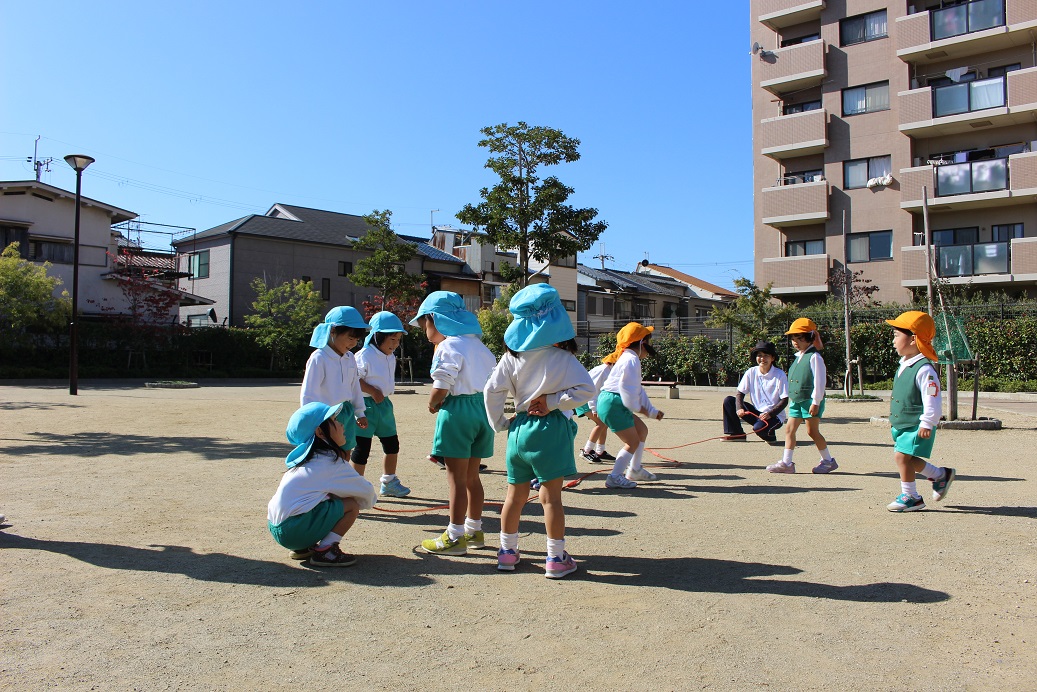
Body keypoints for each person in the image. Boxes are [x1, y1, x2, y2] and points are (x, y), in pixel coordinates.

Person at [485, 284, 595, 577]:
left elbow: (491, 391)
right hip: (550, 429)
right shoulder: (563, 358)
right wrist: (553, 401)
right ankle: (556, 558)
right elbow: (587, 390)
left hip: (519, 429)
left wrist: (500, 423)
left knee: (514, 496)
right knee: (551, 498)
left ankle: (507, 552)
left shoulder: (512, 357)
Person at [410, 291, 497, 556]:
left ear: (435, 319)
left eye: (424, 323)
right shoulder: (481, 347)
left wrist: (432, 403)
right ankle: (474, 530)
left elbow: (442, 384)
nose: (424, 330)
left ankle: (454, 535)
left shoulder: (448, 346)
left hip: (458, 411)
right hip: (482, 411)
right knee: (472, 477)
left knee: (455, 479)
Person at [267, 402, 379, 567]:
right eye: (335, 420)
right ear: (320, 432)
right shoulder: (330, 463)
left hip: (277, 527)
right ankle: (326, 550)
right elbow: (367, 493)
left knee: (324, 500)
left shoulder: (306, 461)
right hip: (294, 530)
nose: (341, 424)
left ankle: (302, 547)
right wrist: (362, 501)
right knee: (351, 505)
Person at [884, 311, 955, 512]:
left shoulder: (924, 369)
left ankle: (911, 496)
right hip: (903, 423)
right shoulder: (905, 364)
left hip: (916, 423)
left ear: (913, 339)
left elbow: (932, 398)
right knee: (907, 457)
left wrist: (928, 422)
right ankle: (940, 475)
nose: (893, 341)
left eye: (897, 335)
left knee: (901, 457)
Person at [300, 306, 369, 473]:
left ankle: (339, 483)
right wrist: (310, 421)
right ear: (332, 331)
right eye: (350, 338)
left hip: (346, 411)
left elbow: (354, 386)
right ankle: (326, 484)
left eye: (356, 340)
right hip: (325, 416)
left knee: (346, 451)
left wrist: (360, 412)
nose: (353, 343)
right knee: (327, 454)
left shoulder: (350, 357)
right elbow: (308, 393)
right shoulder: (319, 358)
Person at [596, 323, 664, 489]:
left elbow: (637, 389)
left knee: (641, 431)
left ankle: (634, 469)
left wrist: (650, 410)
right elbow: (628, 391)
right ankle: (615, 476)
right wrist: (643, 410)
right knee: (632, 442)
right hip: (614, 403)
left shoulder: (628, 357)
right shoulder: (631, 360)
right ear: (642, 343)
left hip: (612, 402)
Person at [766, 318, 837, 474]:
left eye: (800, 338)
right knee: (789, 430)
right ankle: (786, 462)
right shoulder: (799, 356)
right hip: (796, 400)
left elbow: (820, 381)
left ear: (810, 337)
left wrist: (816, 401)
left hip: (809, 401)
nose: (795, 342)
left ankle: (828, 460)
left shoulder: (814, 357)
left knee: (812, 431)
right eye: (793, 339)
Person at [354, 311, 410, 498]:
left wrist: (380, 394)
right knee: (362, 448)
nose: (395, 344)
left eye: (398, 339)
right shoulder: (364, 355)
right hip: (364, 406)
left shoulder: (391, 356)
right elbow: (354, 380)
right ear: (377, 336)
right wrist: (373, 391)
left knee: (392, 444)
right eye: (392, 339)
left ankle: (389, 482)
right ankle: (355, 487)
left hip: (384, 405)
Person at [722, 340, 789, 443]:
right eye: (759, 355)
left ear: (772, 358)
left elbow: (784, 400)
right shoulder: (751, 372)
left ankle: (770, 435)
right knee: (729, 401)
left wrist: (770, 414)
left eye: (766, 355)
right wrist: (739, 408)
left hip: (774, 416)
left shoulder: (780, 374)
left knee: (759, 428)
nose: (762, 359)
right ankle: (737, 434)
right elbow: (740, 393)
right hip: (756, 413)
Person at [575, 357, 618, 462]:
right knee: (601, 423)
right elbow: (592, 389)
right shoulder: (603, 370)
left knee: (604, 423)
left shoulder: (612, 370)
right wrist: (594, 408)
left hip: (593, 399)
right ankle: (586, 451)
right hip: (584, 398)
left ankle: (600, 451)